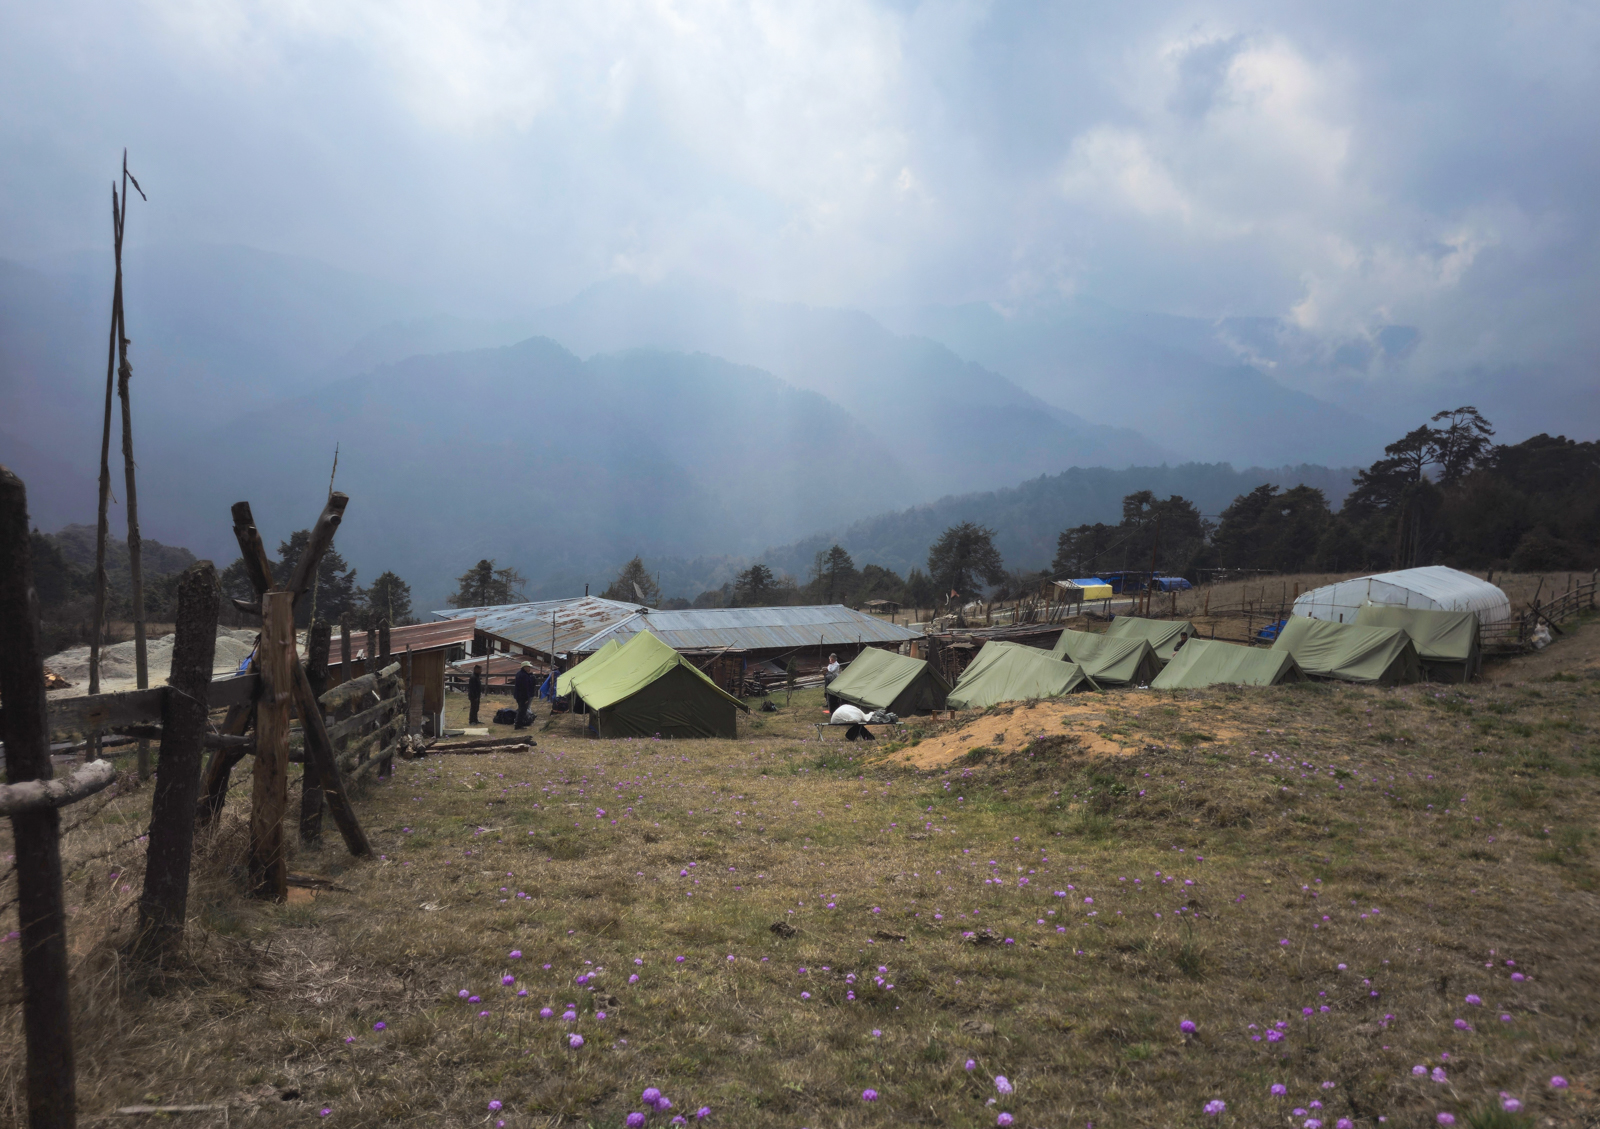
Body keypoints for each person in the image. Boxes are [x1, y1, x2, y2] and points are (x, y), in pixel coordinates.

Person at [513, 661, 537, 729]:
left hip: (520, 695)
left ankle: (519, 723)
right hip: (522, 696)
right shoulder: (523, 675)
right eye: (528, 667)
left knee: (522, 710)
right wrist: (526, 698)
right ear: (524, 667)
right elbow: (524, 687)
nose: (529, 668)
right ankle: (518, 725)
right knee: (522, 711)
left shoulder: (521, 674)